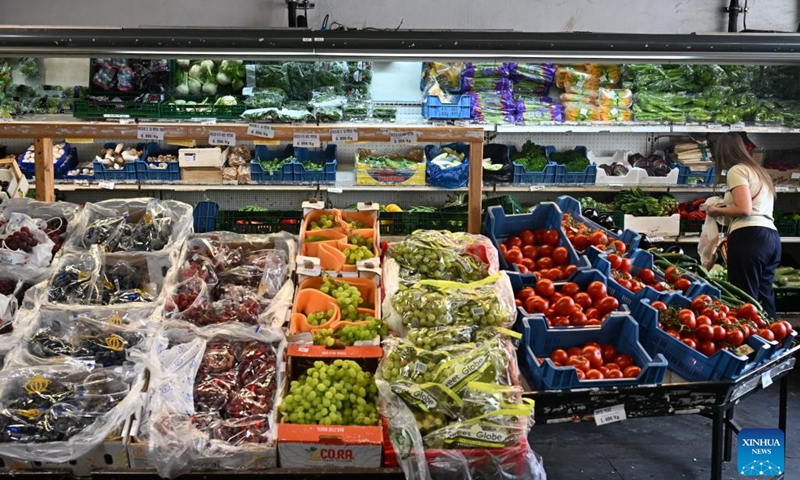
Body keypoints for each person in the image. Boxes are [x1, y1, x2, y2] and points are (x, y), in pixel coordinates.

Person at [706, 132, 780, 318]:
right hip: (771, 238)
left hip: (750, 237)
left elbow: (744, 209)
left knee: (744, 298)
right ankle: (773, 339)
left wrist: (716, 211)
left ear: (722, 153)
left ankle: (750, 344)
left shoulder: (737, 170)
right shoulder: (759, 171)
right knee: (764, 296)